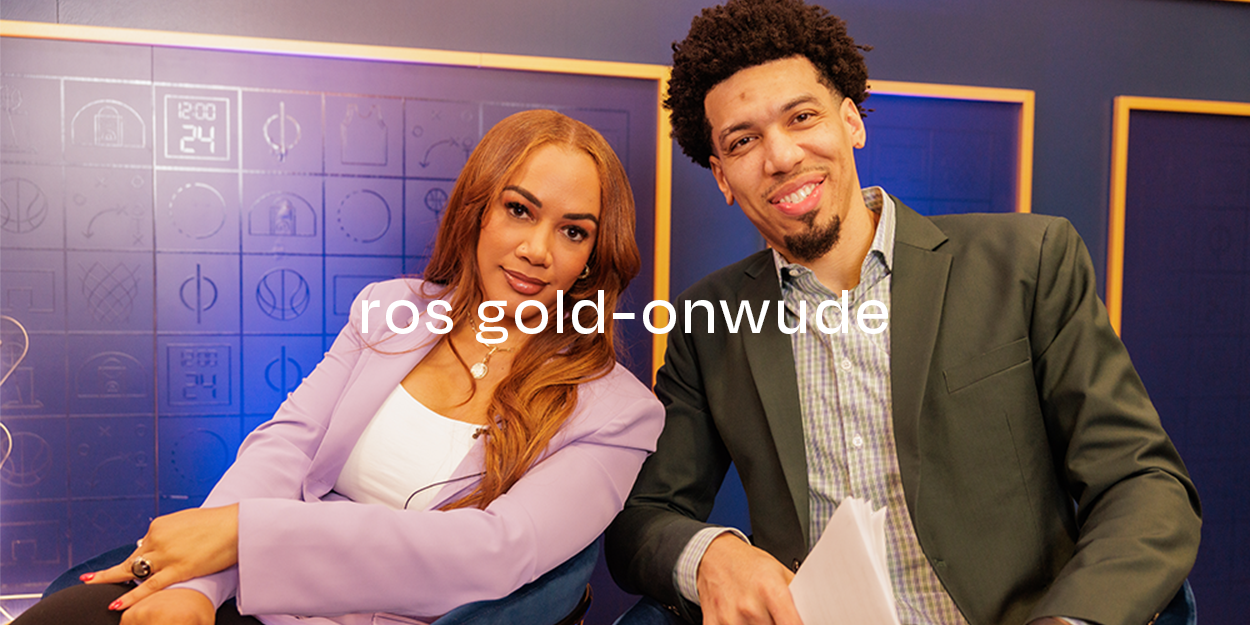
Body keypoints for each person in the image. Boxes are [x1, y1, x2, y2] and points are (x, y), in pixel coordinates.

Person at [603, 1, 1201, 625]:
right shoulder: (708, 320)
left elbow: (1143, 483)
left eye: (802, 117)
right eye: (743, 141)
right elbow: (643, 517)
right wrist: (712, 555)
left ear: (850, 122)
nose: (779, 157)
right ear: (723, 177)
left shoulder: (1027, 263)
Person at [18, 109, 665, 625]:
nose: (537, 249)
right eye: (519, 209)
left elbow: (494, 552)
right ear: (477, 210)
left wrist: (250, 533)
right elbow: (287, 446)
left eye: (573, 231)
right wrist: (198, 585)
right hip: (260, 592)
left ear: (593, 255)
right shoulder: (390, 309)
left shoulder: (621, 413)